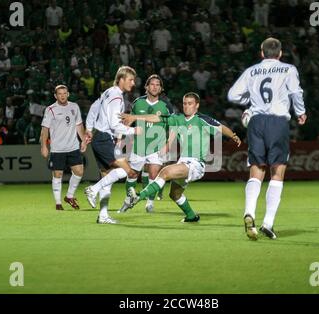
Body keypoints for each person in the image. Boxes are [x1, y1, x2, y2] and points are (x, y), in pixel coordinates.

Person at [227, 37, 307, 240]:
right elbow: (296, 92)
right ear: (280, 53)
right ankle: (268, 222)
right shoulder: (288, 69)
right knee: (277, 171)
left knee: (256, 169)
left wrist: (250, 101)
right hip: (277, 122)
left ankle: (249, 212)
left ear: (261, 53)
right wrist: (301, 112)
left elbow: (233, 95)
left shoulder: (251, 71)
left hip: (256, 121)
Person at [122, 92, 242, 222]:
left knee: (165, 171)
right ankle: (191, 216)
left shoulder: (202, 120)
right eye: (184, 103)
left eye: (190, 104)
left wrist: (233, 136)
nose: (186, 106)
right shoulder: (177, 119)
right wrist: (135, 117)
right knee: (175, 194)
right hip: (183, 162)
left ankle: (139, 196)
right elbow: (156, 118)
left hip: (196, 164)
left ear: (197, 106)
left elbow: (221, 127)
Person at [84, 66, 142, 224]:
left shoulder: (108, 92)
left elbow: (94, 108)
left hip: (100, 137)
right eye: (130, 79)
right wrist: (133, 130)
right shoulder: (116, 97)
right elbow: (114, 124)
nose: (133, 83)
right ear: (121, 79)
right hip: (103, 138)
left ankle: (103, 216)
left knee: (107, 177)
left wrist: (89, 129)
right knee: (127, 171)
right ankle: (92, 189)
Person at [118, 74, 174, 213]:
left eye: (157, 85)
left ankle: (150, 203)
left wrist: (167, 145)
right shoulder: (137, 103)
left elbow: (174, 126)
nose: (155, 87)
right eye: (152, 84)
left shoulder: (166, 105)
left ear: (161, 88)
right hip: (139, 146)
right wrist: (120, 139)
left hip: (157, 146)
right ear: (146, 87)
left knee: (154, 174)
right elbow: (128, 121)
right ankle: (128, 200)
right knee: (131, 175)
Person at [40, 85, 87, 211]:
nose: (62, 95)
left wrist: (83, 141)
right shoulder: (51, 109)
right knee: (58, 174)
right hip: (57, 148)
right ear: (55, 96)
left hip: (73, 146)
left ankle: (69, 196)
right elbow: (45, 129)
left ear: (68, 94)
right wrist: (44, 146)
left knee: (79, 171)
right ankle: (58, 203)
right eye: (59, 93)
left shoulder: (74, 107)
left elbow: (79, 125)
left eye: (64, 93)